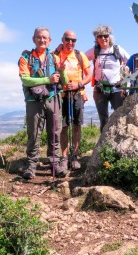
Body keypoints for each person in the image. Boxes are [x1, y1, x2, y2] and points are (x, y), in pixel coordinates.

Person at [18, 26, 67, 179]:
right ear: (34, 39)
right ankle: (31, 165)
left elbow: (63, 82)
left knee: (55, 133)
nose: (42, 40)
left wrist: (62, 71)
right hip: (34, 101)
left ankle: (54, 163)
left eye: (45, 37)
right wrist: (48, 79)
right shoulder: (26, 58)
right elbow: (25, 80)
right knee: (33, 133)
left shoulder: (54, 58)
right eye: (39, 37)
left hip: (53, 98)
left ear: (49, 40)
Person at [55, 30, 92, 170]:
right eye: (67, 39)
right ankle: (64, 157)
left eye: (73, 40)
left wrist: (79, 84)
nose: (70, 42)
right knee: (63, 126)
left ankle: (74, 156)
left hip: (77, 94)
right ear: (62, 39)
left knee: (77, 125)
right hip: (61, 95)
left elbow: (89, 75)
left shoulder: (80, 55)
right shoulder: (56, 55)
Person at [85, 25, 130, 132]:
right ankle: (103, 146)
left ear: (110, 37)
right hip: (100, 89)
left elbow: (130, 62)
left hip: (117, 89)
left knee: (120, 118)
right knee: (103, 120)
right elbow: (80, 59)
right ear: (96, 39)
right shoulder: (94, 51)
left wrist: (125, 82)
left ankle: (119, 144)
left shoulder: (118, 49)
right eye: (99, 36)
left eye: (105, 36)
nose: (103, 39)